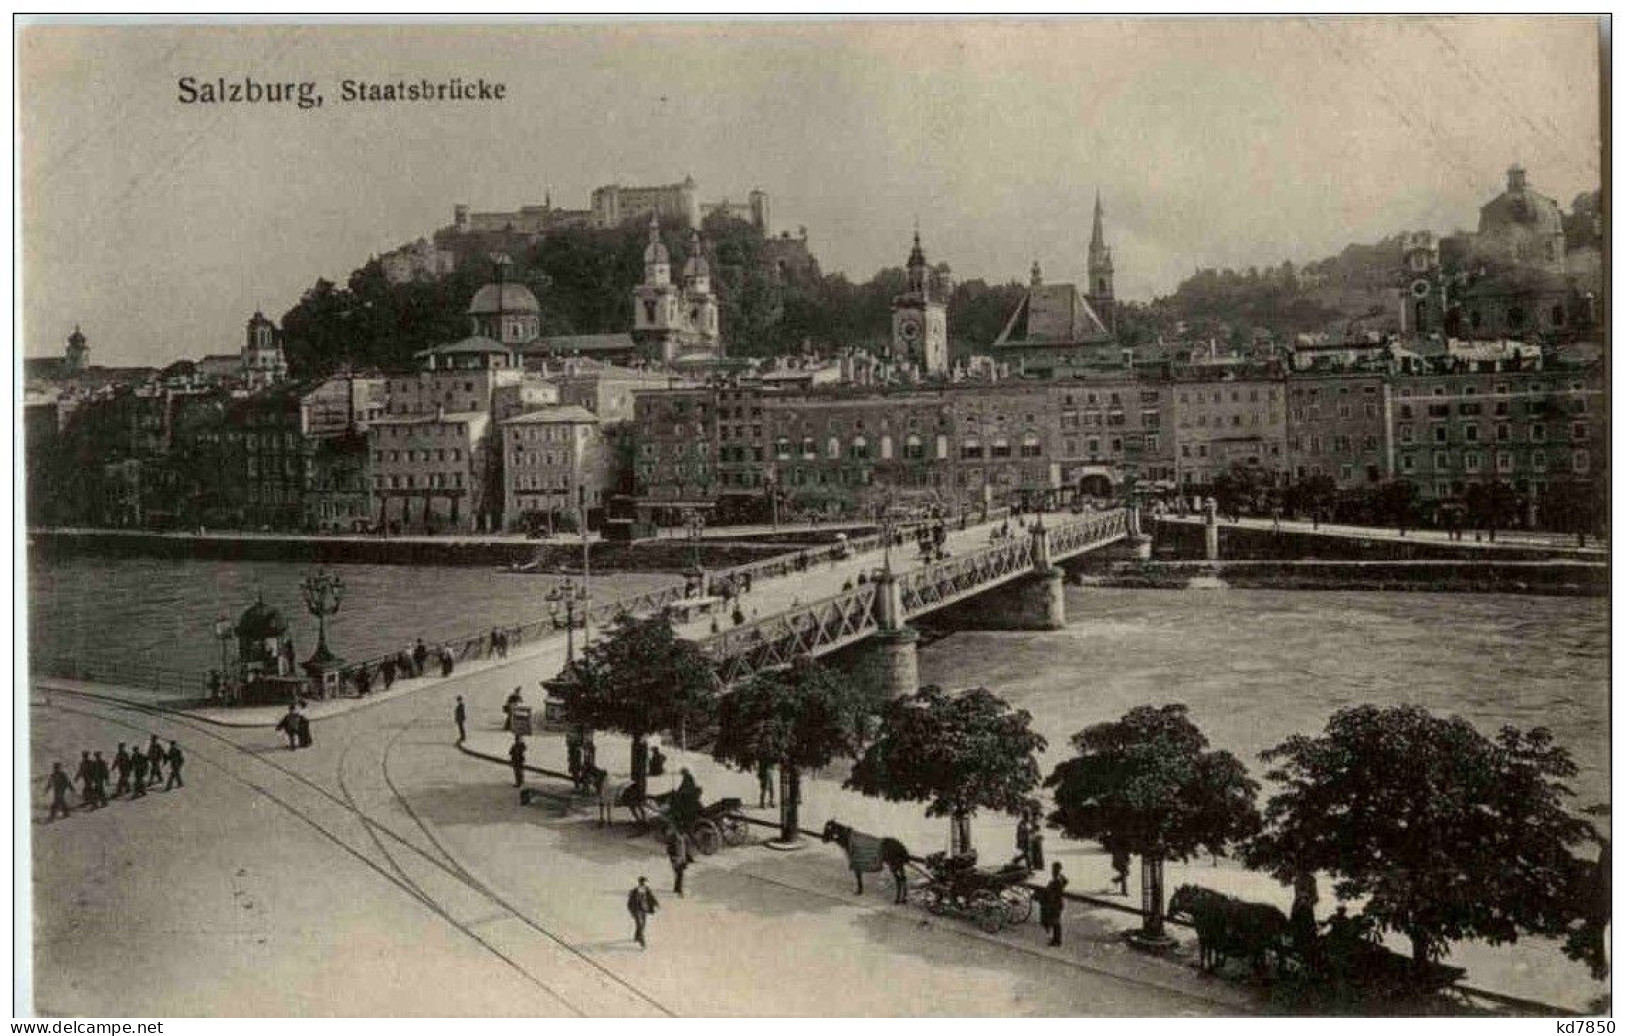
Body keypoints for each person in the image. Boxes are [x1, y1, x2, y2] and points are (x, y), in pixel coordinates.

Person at [1040, 862, 1068, 947]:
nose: (1052, 871)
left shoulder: (1056, 881)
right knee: (1056, 923)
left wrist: (1048, 903)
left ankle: (1056, 941)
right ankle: (1056, 940)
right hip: (1058, 904)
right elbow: (1066, 882)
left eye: (1053, 869)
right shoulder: (1059, 879)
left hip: (1054, 904)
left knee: (1054, 922)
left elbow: (1051, 894)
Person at [627, 876, 659, 949]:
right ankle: (642, 943)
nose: (644, 884)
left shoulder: (647, 890)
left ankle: (637, 936)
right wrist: (632, 911)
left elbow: (651, 897)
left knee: (642, 925)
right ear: (640, 883)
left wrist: (656, 903)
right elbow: (630, 903)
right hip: (637, 910)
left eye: (645, 883)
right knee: (640, 925)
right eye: (643, 883)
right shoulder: (634, 891)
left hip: (644, 910)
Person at [666, 826, 693, 895]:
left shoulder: (685, 837)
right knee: (679, 873)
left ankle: (677, 888)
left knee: (680, 874)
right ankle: (679, 890)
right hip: (676, 857)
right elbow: (669, 849)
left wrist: (688, 857)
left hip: (682, 857)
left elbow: (687, 848)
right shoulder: (672, 837)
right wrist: (673, 858)